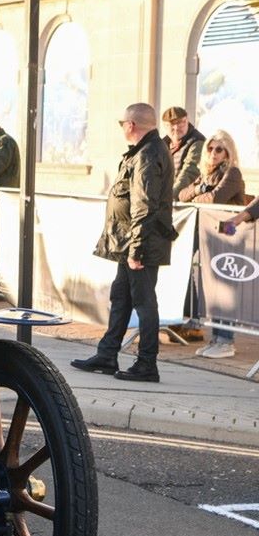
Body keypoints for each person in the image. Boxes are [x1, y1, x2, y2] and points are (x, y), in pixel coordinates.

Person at [71, 103, 176, 382]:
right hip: (130, 243)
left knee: (144, 303)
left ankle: (146, 364)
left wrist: (137, 249)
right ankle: (107, 354)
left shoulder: (147, 154)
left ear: (131, 125)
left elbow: (144, 206)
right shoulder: (144, 151)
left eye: (122, 123)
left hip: (140, 244)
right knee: (121, 297)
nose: (122, 128)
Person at [181, 130, 247, 359]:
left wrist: (201, 194)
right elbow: (182, 195)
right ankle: (216, 338)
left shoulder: (232, 172)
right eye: (210, 148)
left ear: (228, 151)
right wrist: (201, 189)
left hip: (230, 238)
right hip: (211, 237)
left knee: (226, 291)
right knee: (213, 290)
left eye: (219, 149)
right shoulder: (205, 175)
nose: (213, 153)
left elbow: (216, 198)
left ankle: (226, 340)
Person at [161, 106, 206, 196]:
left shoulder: (197, 142)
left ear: (187, 121)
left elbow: (190, 172)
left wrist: (169, 197)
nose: (177, 127)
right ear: (165, 127)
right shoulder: (161, 145)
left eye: (181, 122)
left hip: (186, 199)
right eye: (171, 124)